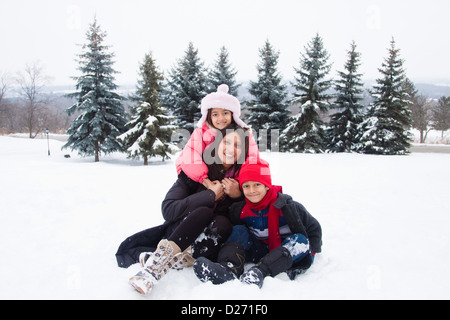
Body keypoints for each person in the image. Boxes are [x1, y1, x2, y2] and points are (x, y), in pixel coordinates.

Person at [119, 125, 251, 296]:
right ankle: (154, 268)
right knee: (204, 211)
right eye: (226, 142)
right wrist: (209, 195)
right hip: (179, 231)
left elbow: (245, 220)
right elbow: (169, 209)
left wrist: (237, 196)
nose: (231, 149)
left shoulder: (243, 179)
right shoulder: (195, 171)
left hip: (207, 244)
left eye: (237, 145)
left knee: (223, 223)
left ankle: (181, 260)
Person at [193, 159, 322, 288]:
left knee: (300, 240)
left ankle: (260, 271)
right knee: (239, 230)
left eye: (257, 185)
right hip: (259, 249)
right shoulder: (241, 209)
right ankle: (228, 268)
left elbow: (314, 227)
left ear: (266, 185)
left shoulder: (288, 207)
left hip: (284, 252)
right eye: (246, 186)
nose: (252, 190)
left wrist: (313, 251)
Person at [175, 84, 259, 185]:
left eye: (225, 113)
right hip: (202, 180)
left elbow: (252, 159)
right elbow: (191, 154)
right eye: (215, 114)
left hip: (232, 182)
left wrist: (238, 182)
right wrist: (204, 179)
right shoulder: (201, 132)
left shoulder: (243, 134)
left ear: (232, 115)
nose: (221, 118)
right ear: (209, 116)